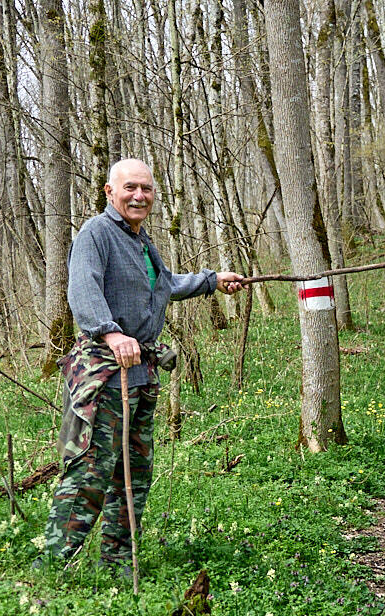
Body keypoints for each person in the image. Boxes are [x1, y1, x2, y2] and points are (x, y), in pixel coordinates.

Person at [39, 158, 245, 573]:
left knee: (132, 477)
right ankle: (51, 570)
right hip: (103, 376)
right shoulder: (96, 234)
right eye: (130, 187)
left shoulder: (140, 240)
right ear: (109, 191)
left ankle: (118, 564)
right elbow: (82, 290)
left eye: (146, 189)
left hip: (141, 376)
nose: (139, 195)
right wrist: (110, 332)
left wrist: (213, 280)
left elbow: (164, 285)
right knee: (91, 474)